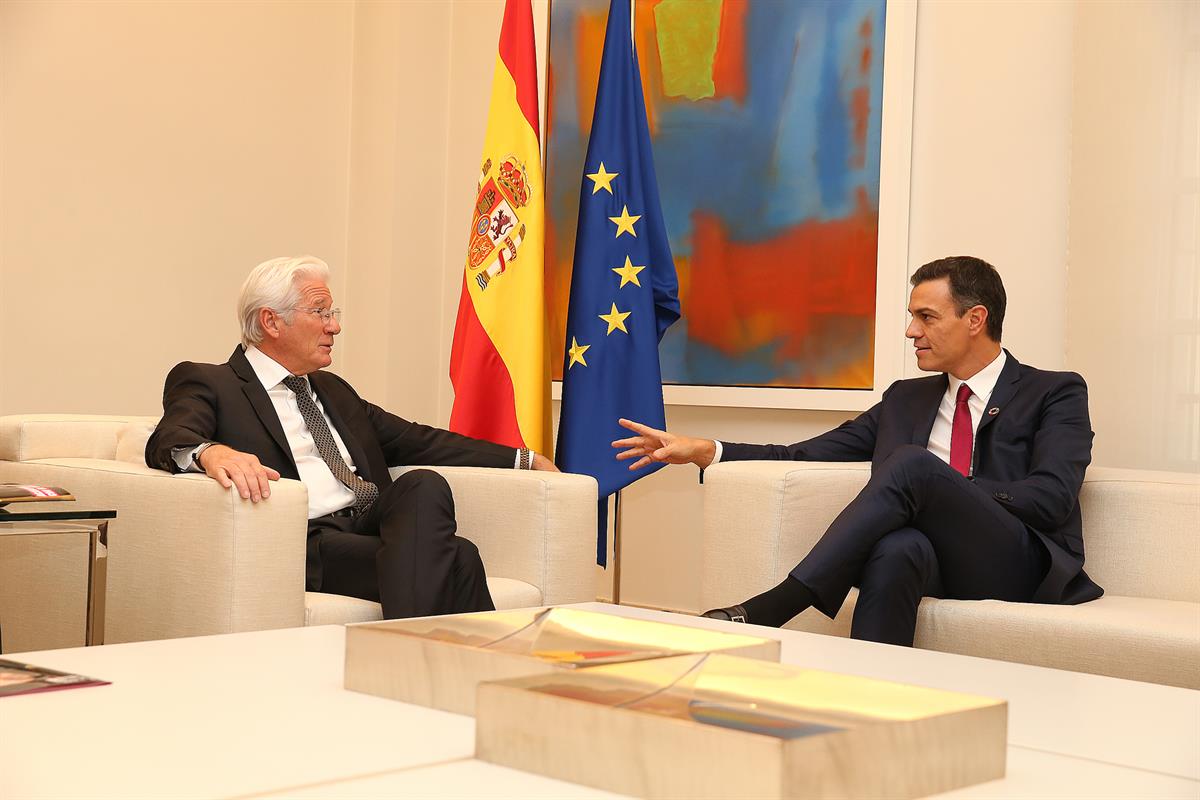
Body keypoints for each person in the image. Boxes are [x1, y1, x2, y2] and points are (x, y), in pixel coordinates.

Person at [613, 256, 1102, 646]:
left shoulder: (1053, 392)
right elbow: (804, 455)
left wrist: (947, 490)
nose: (911, 331)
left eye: (926, 317)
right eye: (912, 317)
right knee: (896, 547)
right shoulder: (906, 399)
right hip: (939, 559)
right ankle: (870, 701)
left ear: (976, 319)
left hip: (1019, 560)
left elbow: (1052, 497)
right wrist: (707, 450)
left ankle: (780, 603)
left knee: (912, 465)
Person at [146, 255, 557, 619]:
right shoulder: (211, 381)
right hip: (308, 539)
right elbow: (169, 437)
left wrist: (524, 459)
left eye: (333, 312)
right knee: (460, 557)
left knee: (423, 483)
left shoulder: (332, 390)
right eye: (321, 312)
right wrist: (211, 452)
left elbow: (418, 439)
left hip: (368, 524)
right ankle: (475, 674)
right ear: (271, 321)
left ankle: (412, 661)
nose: (335, 326)